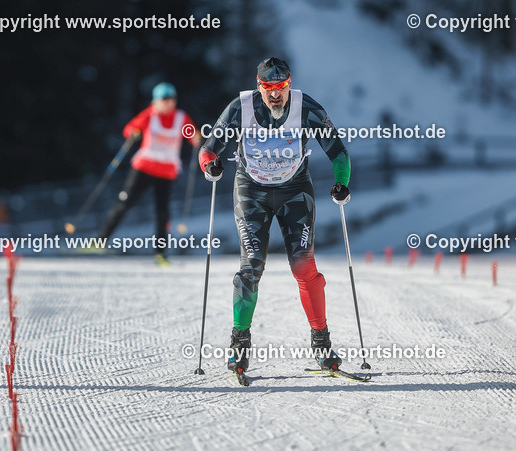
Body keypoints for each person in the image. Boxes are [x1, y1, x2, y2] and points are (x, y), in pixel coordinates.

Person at [198, 57, 352, 375]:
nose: (275, 95)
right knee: (251, 265)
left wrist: (341, 183)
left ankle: (322, 347)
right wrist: (210, 164)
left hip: (295, 192)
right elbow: (208, 148)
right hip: (251, 192)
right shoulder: (240, 108)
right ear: (259, 87)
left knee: (304, 268)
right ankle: (239, 345)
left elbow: (338, 151)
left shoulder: (307, 108)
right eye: (268, 88)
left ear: (289, 85)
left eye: (281, 87)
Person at [99, 82, 201, 265]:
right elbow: (129, 129)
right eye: (165, 99)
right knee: (125, 202)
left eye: (172, 99)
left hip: (166, 171)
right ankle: (100, 241)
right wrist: (134, 132)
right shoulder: (150, 115)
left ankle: (160, 253)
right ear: (156, 101)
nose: (169, 103)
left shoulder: (180, 117)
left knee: (163, 213)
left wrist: (196, 138)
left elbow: (191, 133)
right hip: (144, 168)